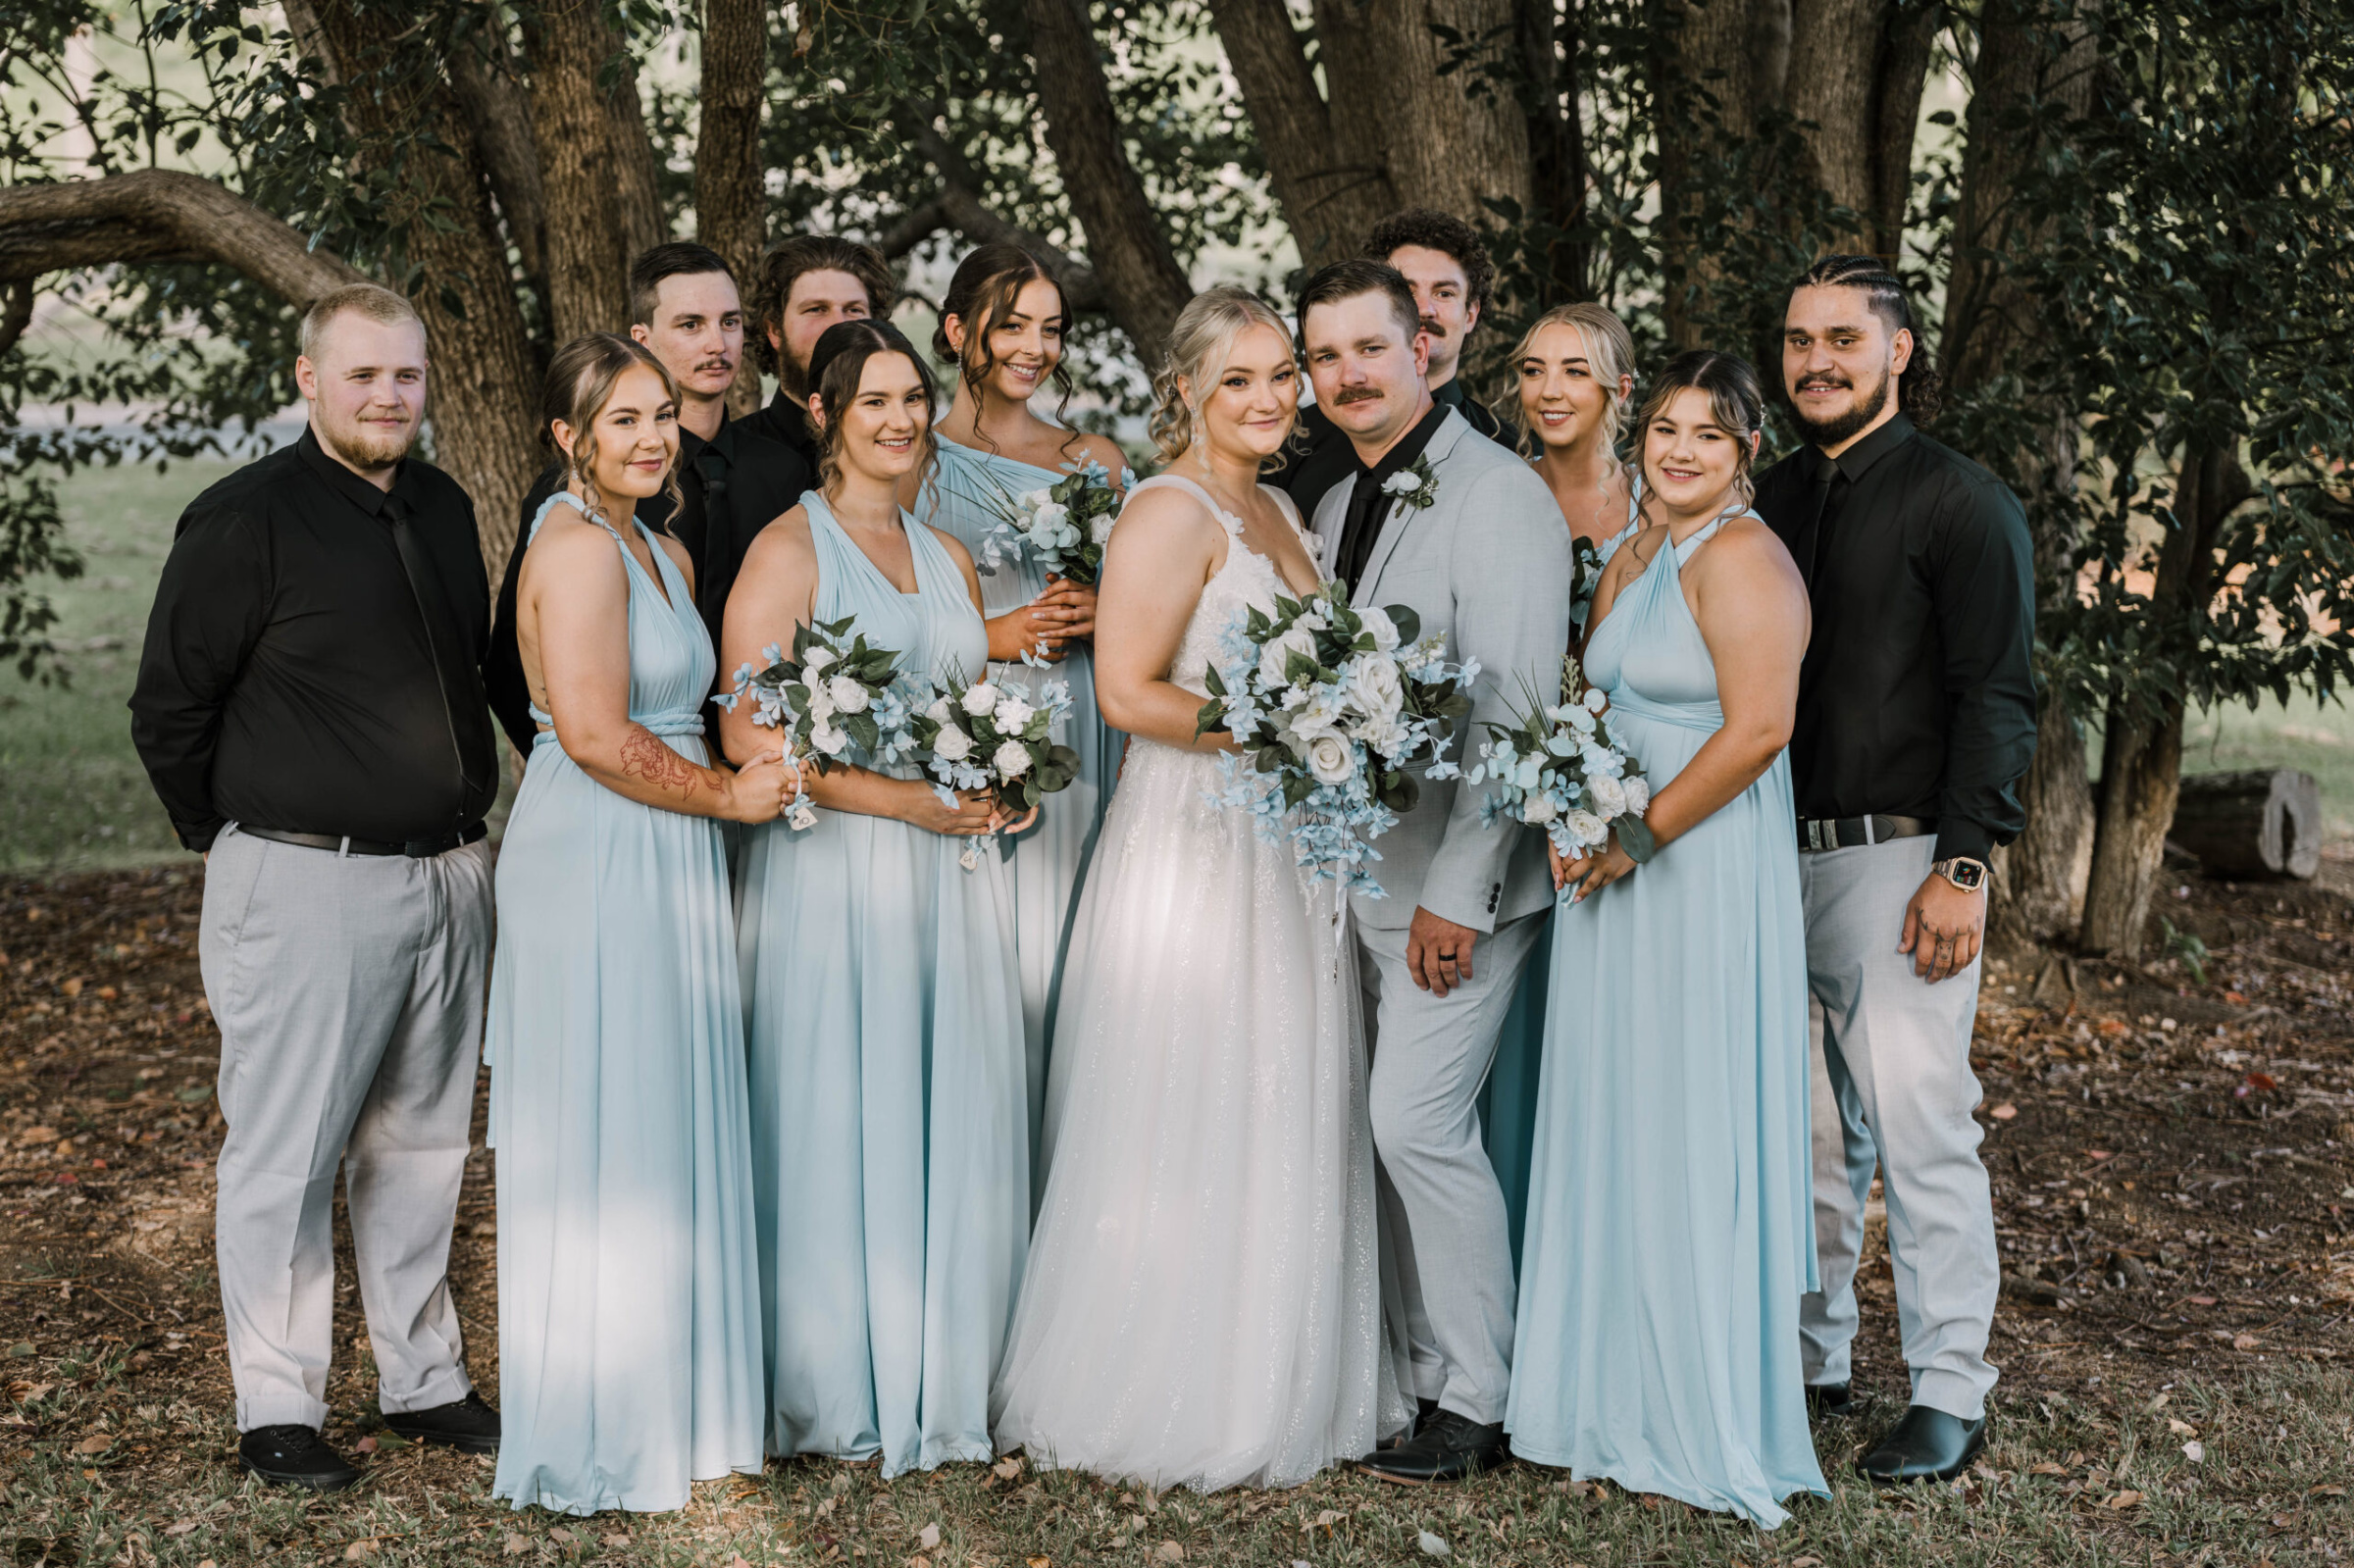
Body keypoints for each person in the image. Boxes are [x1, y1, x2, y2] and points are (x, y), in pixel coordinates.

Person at [991, 288, 1408, 1491]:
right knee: (1198, 1086)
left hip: (1288, 844)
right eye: (1242, 380)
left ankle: (1290, 1372)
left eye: (1284, 375)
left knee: (1288, 1082)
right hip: (1197, 839)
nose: (1272, 398)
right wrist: (1281, 728)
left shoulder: (1279, 504)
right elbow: (1126, 693)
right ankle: (1170, 1385)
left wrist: (1331, 721)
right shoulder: (1168, 512)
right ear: (1186, 390)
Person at [128, 283, 502, 1490]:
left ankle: (421, 1380)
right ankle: (277, 1411)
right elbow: (169, 707)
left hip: (449, 877)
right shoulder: (246, 521)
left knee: (425, 1145)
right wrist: (242, 839)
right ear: (307, 380)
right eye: (363, 376)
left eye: (407, 376)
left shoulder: (443, 508)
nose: (389, 396)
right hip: (304, 881)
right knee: (285, 1156)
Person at [1504, 352, 1828, 1526]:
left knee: (1686, 1113)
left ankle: (1690, 1400)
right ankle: (1599, 1390)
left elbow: (1757, 733)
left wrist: (1633, 838)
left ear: (1747, 454)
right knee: (1613, 1110)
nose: (1681, 451)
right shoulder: (1635, 556)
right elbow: (1590, 703)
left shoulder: (1746, 560)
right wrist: (1563, 803)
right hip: (1607, 861)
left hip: (1693, 873)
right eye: (1665, 432)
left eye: (1710, 435)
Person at [722, 320, 1030, 1479]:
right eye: (874, 404)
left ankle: (944, 1364)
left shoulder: (944, 552)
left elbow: (966, 693)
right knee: (845, 1106)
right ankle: (842, 1383)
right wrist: (904, 803)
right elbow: (748, 735)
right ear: (824, 416)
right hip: (838, 870)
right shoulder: (786, 553)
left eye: (913, 398)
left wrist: (1000, 782)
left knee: (942, 1100)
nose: (901, 421)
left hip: (946, 875)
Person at [487, 333, 789, 1513]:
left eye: (660, 414)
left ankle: (684, 1397)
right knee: (608, 1108)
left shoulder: (658, 543)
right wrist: (726, 794)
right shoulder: (573, 548)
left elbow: (690, 707)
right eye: (623, 420)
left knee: (665, 1101)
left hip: (668, 841)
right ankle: (600, 1412)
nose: (654, 436)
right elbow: (603, 734)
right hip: (602, 844)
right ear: (569, 439)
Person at [1754, 255, 2035, 1483]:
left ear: (1898, 350)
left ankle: (1947, 1390)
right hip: (1765, 860)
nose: (1816, 360)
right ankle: (1816, 1358)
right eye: (1799, 340)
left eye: (1841, 340)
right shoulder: (1763, 498)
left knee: (1922, 1126)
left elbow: (2001, 694)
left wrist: (1965, 866)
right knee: (1808, 1135)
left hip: (1903, 857)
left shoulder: (1961, 501)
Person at [1296, 261, 1574, 1485]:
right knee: (1382, 1129)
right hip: (1359, 875)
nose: (1346, 374)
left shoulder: (1499, 495)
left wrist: (1458, 894)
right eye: (1324, 358)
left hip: (1456, 894)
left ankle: (1481, 1399)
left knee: (1414, 1122)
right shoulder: (1331, 504)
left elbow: (1517, 710)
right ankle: (1416, 1375)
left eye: (1368, 349)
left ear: (1425, 348)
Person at [916, 244, 1129, 1191]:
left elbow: (1156, 599)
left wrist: (1107, 607)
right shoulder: (910, 454)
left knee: (1084, 958)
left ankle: (1078, 1192)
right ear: (960, 330)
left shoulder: (1094, 460)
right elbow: (887, 600)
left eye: (1051, 328)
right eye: (1014, 325)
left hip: (1086, 721)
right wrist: (991, 634)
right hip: (974, 725)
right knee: (996, 964)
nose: (1036, 348)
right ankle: (990, 1192)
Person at [487, 242, 812, 757]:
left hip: (769, 769)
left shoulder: (786, 472)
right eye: (690, 325)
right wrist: (571, 776)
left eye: (730, 322)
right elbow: (511, 661)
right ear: (642, 340)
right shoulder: (576, 490)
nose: (717, 343)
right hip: (622, 781)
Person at [1478, 301, 1644, 1268]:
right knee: (1514, 1052)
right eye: (1533, 370)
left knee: (1609, 1057)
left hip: (1625, 811)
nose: (1547, 390)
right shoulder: (1498, 496)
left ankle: (1597, 1277)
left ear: (1620, 389)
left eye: (1574, 371)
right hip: (1508, 807)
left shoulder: (1658, 501)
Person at [1277, 209, 1510, 522]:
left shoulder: (1503, 448)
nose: (1423, 309)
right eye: (1406, 290)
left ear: (1470, 314)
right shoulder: (1292, 437)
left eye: (1444, 293)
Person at [742, 233, 896, 468]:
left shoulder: (906, 449)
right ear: (774, 330)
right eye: (816, 309)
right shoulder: (735, 460)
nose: (839, 325)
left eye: (854, 309)